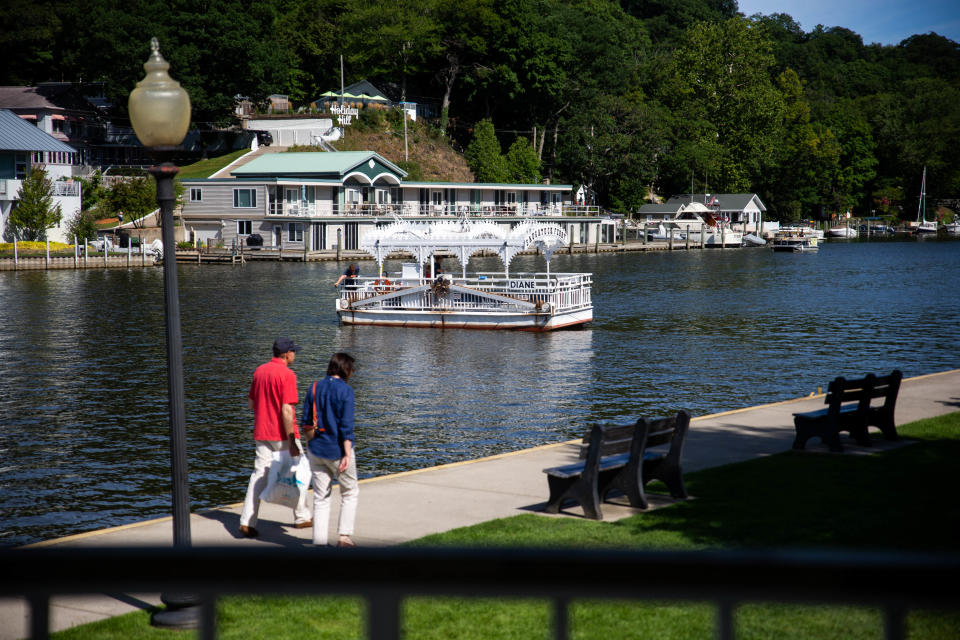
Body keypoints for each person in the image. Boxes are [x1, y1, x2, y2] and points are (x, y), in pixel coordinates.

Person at [239, 337, 312, 538]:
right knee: (300, 473)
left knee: (258, 475)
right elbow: (287, 410)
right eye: (294, 352)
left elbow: (251, 404)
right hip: (282, 434)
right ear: (287, 354)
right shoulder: (287, 375)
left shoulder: (259, 371)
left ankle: (247, 521)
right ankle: (302, 517)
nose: (295, 355)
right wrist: (292, 440)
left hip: (261, 432)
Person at [301, 352, 359, 547]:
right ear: (346, 369)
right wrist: (347, 453)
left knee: (320, 497)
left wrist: (310, 445)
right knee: (349, 492)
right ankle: (344, 536)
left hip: (316, 449)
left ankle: (319, 542)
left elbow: (306, 422)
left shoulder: (314, 387)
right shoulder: (346, 391)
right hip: (337, 450)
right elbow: (346, 427)